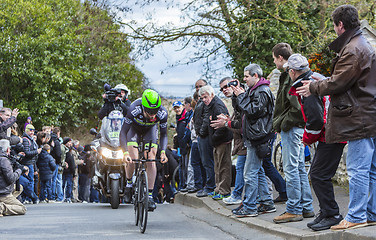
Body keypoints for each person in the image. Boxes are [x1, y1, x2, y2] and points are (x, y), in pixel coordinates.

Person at [296, 5, 376, 230]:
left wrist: (313, 86)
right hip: (368, 115)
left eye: (334, 25)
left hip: (358, 117)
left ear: (340, 25)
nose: (334, 29)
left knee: (358, 169)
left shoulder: (352, 49)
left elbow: (339, 82)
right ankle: (371, 213)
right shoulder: (363, 45)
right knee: (371, 169)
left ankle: (357, 216)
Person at [286, 53, 346, 231]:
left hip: (331, 133)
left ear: (292, 72)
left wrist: (307, 139)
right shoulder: (316, 77)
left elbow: (315, 119)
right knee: (319, 174)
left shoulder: (305, 86)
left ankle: (332, 213)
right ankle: (327, 212)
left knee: (319, 174)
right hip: (334, 131)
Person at [271, 43, 314, 223]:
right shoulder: (290, 74)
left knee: (291, 169)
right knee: (298, 168)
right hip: (296, 127)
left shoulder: (290, 75)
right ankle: (306, 206)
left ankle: (294, 208)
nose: (274, 61)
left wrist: (281, 123)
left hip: (292, 127)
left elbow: (295, 107)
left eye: (274, 58)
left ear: (280, 58)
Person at [228, 63, 275, 217]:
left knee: (250, 173)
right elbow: (241, 110)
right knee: (258, 171)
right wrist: (238, 96)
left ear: (256, 76)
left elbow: (253, 111)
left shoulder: (262, 91)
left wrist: (242, 95)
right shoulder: (254, 90)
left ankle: (250, 207)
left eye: (247, 76)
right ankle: (267, 203)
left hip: (259, 137)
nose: (244, 79)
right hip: (255, 136)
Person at [120, 89, 168, 211]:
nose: (152, 115)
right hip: (134, 130)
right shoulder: (133, 109)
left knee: (151, 159)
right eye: (149, 112)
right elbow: (123, 132)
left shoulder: (162, 113)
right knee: (133, 157)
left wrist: (163, 152)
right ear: (143, 107)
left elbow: (164, 135)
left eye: (155, 112)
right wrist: (125, 152)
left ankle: (150, 196)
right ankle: (129, 184)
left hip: (150, 131)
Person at [199, 85, 233, 200]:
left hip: (222, 140)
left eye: (205, 97)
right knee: (217, 166)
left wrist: (213, 138)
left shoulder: (217, 106)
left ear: (212, 95)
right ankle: (218, 189)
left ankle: (225, 191)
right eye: (202, 98)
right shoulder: (210, 106)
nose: (204, 100)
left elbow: (223, 126)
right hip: (216, 141)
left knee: (224, 166)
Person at [193, 79, 216, 198]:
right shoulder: (200, 101)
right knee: (203, 162)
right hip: (200, 136)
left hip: (205, 136)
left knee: (208, 163)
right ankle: (206, 186)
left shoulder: (206, 102)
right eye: (196, 86)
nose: (197, 88)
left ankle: (210, 187)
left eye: (200, 86)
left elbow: (206, 118)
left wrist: (201, 132)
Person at [0, 139, 28, 216]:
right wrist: (19, 170)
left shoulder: (4, 159)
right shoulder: (4, 160)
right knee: (22, 208)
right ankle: (2, 207)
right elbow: (11, 179)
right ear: (8, 149)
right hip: (3, 193)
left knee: (19, 187)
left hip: (2, 189)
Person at [20, 124, 41, 204]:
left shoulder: (31, 139)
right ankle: (30, 198)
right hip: (27, 163)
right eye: (30, 130)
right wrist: (37, 151)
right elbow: (27, 153)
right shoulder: (26, 139)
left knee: (29, 181)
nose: (32, 132)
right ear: (26, 130)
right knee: (28, 182)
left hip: (31, 163)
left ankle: (26, 198)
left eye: (33, 130)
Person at [62, 137, 75, 203]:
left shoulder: (69, 151)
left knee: (66, 184)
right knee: (67, 184)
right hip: (67, 170)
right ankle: (67, 197)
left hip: (67, 170)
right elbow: (72, 163)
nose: (70, 144)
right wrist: (74, 172)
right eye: (69, 142)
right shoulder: (68, 153)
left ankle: (67, 197)